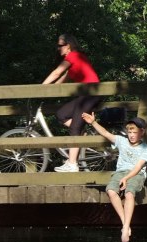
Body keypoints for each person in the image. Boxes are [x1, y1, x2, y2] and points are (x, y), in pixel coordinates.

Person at [81, 113, 147, 242]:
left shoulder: (146, 148)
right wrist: (93, 122)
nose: (131, 135)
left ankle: (126, 225)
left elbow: (138, 168)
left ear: (142, 132)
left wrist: (126, 178)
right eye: (129, 132)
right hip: (120, 172)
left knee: (129, 193)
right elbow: (105, 133)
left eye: (135, 132)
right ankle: (125, 224)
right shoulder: (122, 141)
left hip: (136, 174)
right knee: (111, 190)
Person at [42, 34, 101, 172]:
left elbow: (56, 73)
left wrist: (40, 88)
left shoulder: (74, 56)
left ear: (68, 45)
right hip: (85, 95)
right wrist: (48, 92)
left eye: (60, 45)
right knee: (61, 114)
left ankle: (72, 163)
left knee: (74, 127)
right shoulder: (76, 61)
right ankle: (81, 132)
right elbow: (62, 79)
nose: (58, 48)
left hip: (90, 94)